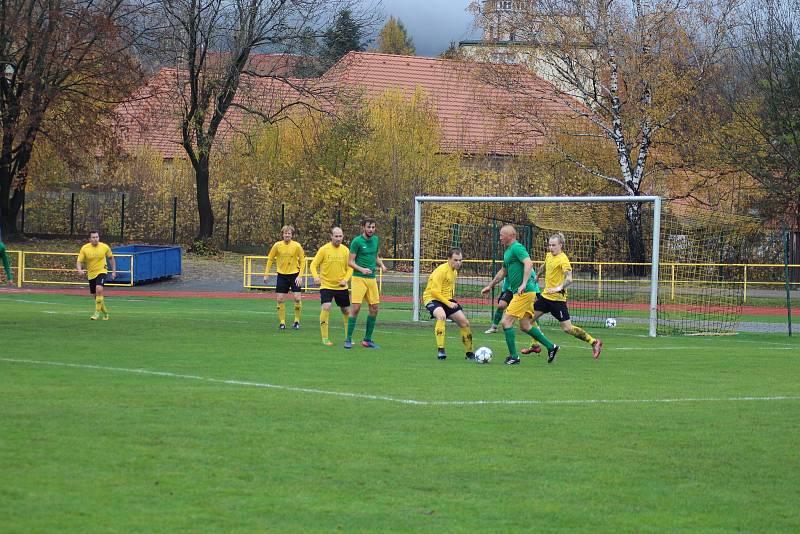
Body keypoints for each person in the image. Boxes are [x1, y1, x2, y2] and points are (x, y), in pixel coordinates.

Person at [480, 224, 557, 365]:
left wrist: (523, 283)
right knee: (525, 325)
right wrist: (490, 286)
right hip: (522, 292)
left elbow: (528, 263)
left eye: (502, 234)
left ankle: (514, 356)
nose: (500, 237)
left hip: (525, 291)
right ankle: (551, 347)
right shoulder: (508, 252)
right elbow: (503, 272)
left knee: (506, 322)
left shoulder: (517, 247)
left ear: (511, 235)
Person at [533, 232, 603, 359]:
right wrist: (537, 275)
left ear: (560, 245)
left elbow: (569, 279)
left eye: (553, 245)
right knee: (527, 319)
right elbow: (544, 266)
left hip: (558, 300)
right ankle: (535, 345)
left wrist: (557, 288)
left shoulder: (563, 259)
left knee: (567, 329)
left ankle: (594, 342)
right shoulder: (549, 255)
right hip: (545, 297)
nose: (551, 247)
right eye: (549, 245)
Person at [422, 248, 475, 361]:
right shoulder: (441, 271)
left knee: (465, 323)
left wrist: (449, 302)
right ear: (449, 259)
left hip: (446, 300)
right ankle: (441, 350)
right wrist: (448, 304)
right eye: (455, 260)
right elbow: (434, 291)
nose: (458, 263)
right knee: (442, 316)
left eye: (460, 260)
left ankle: (469, 353)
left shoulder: (454, 271)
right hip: (432, 298)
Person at [345, 218, 387, 349]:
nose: (371, 230)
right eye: (369, 227)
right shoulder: (357, 241)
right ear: (363, 227)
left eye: (373, 227)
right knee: (356, 308)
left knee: (374, 308)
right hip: (358, 278)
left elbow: (375, 256)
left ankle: (367, 340)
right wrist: (362, 269)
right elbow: (350, 262)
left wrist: (382, 265)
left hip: (372, 279)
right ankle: (348, 339)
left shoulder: (375, 240)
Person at [310, 227, 353, 346]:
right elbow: (313, 265)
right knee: (326, 306)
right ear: (331, 236)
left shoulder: (345, 250)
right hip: (326, 285)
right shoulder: (324, 250)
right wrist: (315, 276)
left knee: (346, 310)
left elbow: (350, 268)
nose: (339, 238)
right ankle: (325, 338)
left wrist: (345, 279)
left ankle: (348, 337)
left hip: (341, 287)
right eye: (336, 236)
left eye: (340, 236)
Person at [484, 278, 542, 355]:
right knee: (502, 307)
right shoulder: (508, 267)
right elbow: (504, 276)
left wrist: (536, 293)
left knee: (527, 318)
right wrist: (502, 291)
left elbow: (533, 278)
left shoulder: (525, 267)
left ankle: (536, 342)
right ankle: (494, 327)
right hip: (511, 290)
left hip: (525, 291)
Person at [264, 225, 305, 330]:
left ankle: (296, 321)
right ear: (282, 234)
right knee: (280, 299)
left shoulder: (297, 246)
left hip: (294, 275)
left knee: (297, 298)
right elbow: (270, 259)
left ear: (292, 235)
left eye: (289, 233)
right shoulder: (277, 245)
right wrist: (266, 274)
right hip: (282, 276)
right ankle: (282, 323)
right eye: (285, 233)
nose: (287, 235)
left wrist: (300, 276)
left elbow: (303, 261)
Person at [76, 230, 116, 320]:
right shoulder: (84, 248)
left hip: (102, 271)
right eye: (93, 237)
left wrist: (113, 272)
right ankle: (106, 313)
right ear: (90, 239)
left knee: (99, 289)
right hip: (91, 274)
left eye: (97, 237)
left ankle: (96, 314)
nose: (95, 239)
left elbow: (111, 258)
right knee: (96, 296)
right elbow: (79, 261)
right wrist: (79, 269)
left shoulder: (104, 247)